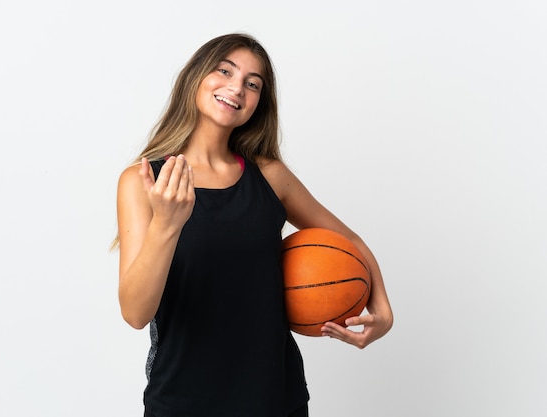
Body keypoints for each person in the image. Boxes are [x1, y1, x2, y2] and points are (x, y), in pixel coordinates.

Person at [115, 33, 393, 417]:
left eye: (252, 84)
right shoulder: (145, 179)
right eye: (224, 70)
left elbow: (347, 240)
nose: (236, 87)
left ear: (259, 103)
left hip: (276, 399)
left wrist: (382, 308)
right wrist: (166, 223)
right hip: (183, 402)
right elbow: (134, 313)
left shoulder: (270, 176)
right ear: (195, 77)